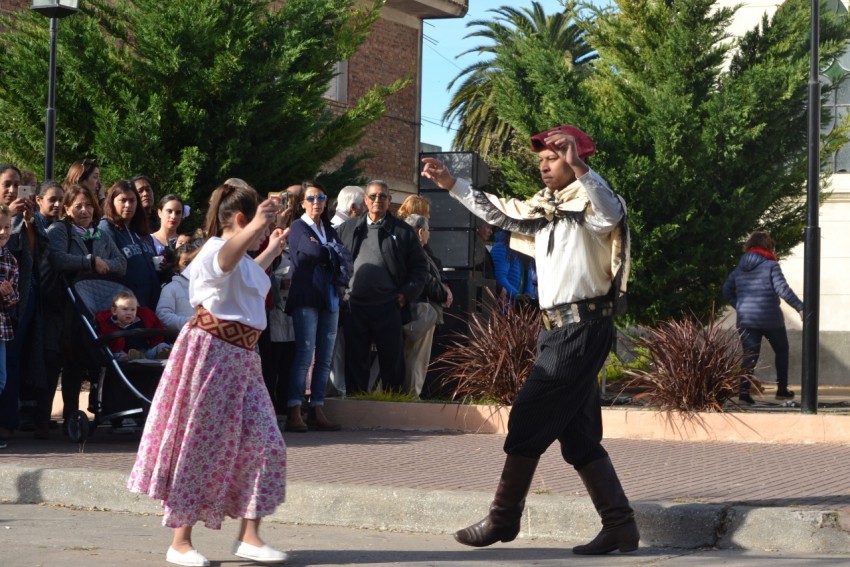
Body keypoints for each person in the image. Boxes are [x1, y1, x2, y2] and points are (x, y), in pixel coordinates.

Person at [421, 124, 637, 555]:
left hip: (583, 327)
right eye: (542, 159)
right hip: (556, 329)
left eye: (553, 157)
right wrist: (451, 184)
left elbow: (611, 213)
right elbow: (502, 212)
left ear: (575, 157)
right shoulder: (544, 206)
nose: (544, 165)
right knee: (578, 436)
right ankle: (620, 525)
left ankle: (504, 518)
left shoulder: (593, 202)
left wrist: (580, 168)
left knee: (526, 417)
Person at [127, 180, 288, 567]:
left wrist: (270, 249)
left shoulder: (243, 259)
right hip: (212, 355)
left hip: (243, 360)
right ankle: (180, 541)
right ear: (241, 220)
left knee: (266, 444)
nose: (262, 232)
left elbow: (243, 279)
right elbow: (224, 264)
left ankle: (249, 537)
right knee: (199, 444)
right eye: (259, 226)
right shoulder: (215, 249)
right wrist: (257, 227)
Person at [43, 184, 126, 434]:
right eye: (78, 205)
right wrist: (89, 262)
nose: (84, 210)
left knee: (82, 360)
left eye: (89, 205)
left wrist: (103, 265)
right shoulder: (60, 230)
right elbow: (57, 258)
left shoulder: (98, 234)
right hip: (63, 307)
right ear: (67, 209)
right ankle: (47, 420)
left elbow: (121, 263)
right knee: (59, 360)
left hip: (91, 308)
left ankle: (84, 415)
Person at [336, 180, 429, 394]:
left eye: (383, 196)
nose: (377, 200)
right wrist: (341, 293)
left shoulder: (403, 231)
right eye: (373, 196)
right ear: (365, 200)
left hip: (389, 305)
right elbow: (336, 262)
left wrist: (406, 294)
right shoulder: (347, 229)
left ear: (389, 201)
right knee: (355, 358)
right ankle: (356, 401)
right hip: (354, 305)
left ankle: (391, 402)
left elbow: (420, 268)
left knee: (392, 359)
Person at [284, 181, 343, 432]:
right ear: (302, 203)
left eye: (320, 197)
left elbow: (340, 254)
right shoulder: (298, 227)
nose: (316, 202)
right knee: (305, 354)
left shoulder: (329, 230)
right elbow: (312, 253)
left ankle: (317, 407)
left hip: (329, 296)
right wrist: (329, 253)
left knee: (325, 357)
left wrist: (325, 251)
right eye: (311, 198)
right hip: (307, 296)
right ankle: (294, 410)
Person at [722, 231, 804, 404]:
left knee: (750, 355)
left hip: (746, 319)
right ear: (768, 247)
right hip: (770, 318)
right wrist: (800, 306)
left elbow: (726, 291)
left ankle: (744, 393)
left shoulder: (739, 268)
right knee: (781, 350)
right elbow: (782, 289)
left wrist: (741, 306)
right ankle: (782, 390)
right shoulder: (771, 266)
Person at [0, 164, 50, 442]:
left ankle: (8, 421)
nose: (12, 190)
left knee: (13, 359)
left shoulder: (26, 217)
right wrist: (9, 218)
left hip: (23, 297)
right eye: (6, 184)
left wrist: (29, 221)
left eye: (16, 184)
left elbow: (37, 252)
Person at [401, 214, 451, 397]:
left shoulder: (411, 249)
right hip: (420, 311)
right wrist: (444, 294)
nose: (429, 234)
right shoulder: (416, 252)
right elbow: (427, 281)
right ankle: (411, 395)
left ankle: (410, 394)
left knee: (413, 356)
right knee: (417, 357)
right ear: (421, 232)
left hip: (418, 310)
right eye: (428, 230)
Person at [99, 180, 161, 308]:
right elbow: (105, 267)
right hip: (126, 307)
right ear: (112, 202)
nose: (128, 205)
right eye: (123, 200)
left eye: (132, 200)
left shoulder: (141, 229)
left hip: (151, 303)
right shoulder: (106, 228)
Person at [97, 290, 171, 361]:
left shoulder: (140, 320)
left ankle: (164, 353)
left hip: (146, 351)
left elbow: (155, 332)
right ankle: (130, 358)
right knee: (116, 353)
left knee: (161, 346)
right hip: (125, 352)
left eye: (133, 310)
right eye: (125, 309)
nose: (129, 313)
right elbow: (110, 343)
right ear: (114, 311)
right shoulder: (109, 325)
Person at [0, 203, 20, 449]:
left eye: (6, 227)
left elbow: (14, 299)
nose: (3, 232)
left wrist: (7, 294)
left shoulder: (10, 260)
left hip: (2, 327)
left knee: (1, 380)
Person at [156, 238, 204, 334]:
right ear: (177, 266)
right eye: (186, 263)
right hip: (181, 337)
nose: (191, 267)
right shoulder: (171, 288)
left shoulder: (205, 287)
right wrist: (190, 322)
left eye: (194, 262)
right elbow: (163, 316)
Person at [490, 229, 537, 304]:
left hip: (516, 305)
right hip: (504, 304)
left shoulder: (525, 253)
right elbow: (499, 277)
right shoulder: (502, 247)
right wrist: (516, 295)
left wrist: (530, 297)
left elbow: (529, 281)